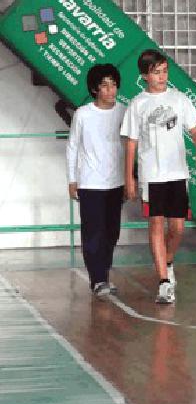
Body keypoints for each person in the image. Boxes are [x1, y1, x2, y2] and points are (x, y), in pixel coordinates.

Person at [121, 49, 196, 304]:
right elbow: (132, 144)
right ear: (145, 75)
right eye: (156, 72)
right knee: (156, 223)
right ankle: (163, 282)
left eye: (164, 71)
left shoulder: (179, 99)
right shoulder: (138, 104)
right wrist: (130, 178)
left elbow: (195, 129)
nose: (161, 76)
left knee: (178, 227)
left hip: (177, 172)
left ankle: (167, 262)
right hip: (152, 174)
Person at [66, 63, 126, 296]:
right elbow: (72, 147)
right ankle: (97, 278)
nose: (111, 90)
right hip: (90, 183)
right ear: (94, 89)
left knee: (112, 232)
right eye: (105, 86)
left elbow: (131, 145)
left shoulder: (123, 111)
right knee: (93, 232)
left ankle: (104, 274)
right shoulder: (83, 114)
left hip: (116, 183)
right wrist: (73, 179)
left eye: (114, 85)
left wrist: (130, 178)